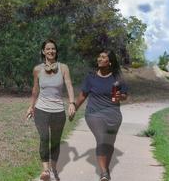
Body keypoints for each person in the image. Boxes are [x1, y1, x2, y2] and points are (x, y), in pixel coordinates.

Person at [71, 50, 128, 181]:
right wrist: (74, 107)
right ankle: (104, 172)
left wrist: (121, 96)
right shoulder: (91, 77)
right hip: (94, 114)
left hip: (113, 115)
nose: (99, 59)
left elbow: (125, 95)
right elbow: (83, 95)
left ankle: (105, 170)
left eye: (103, 57)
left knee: (109, 143)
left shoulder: (117, 78)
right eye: (99, 56)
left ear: (110, 62)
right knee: (102, 139)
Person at [26, 39, 75, 181]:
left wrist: (71, 103)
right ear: (43, 51)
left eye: (53, 48)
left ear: (56, 51)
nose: (50, 51)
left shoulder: (63, 67)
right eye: (47, 49)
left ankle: (53, 170)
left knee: (55, 141)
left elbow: (69, 85)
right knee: (44, 138)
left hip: (58, 111)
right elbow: (35, 90)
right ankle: (46, 171)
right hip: (41, 109)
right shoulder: (37, 69)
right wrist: (31, 105)